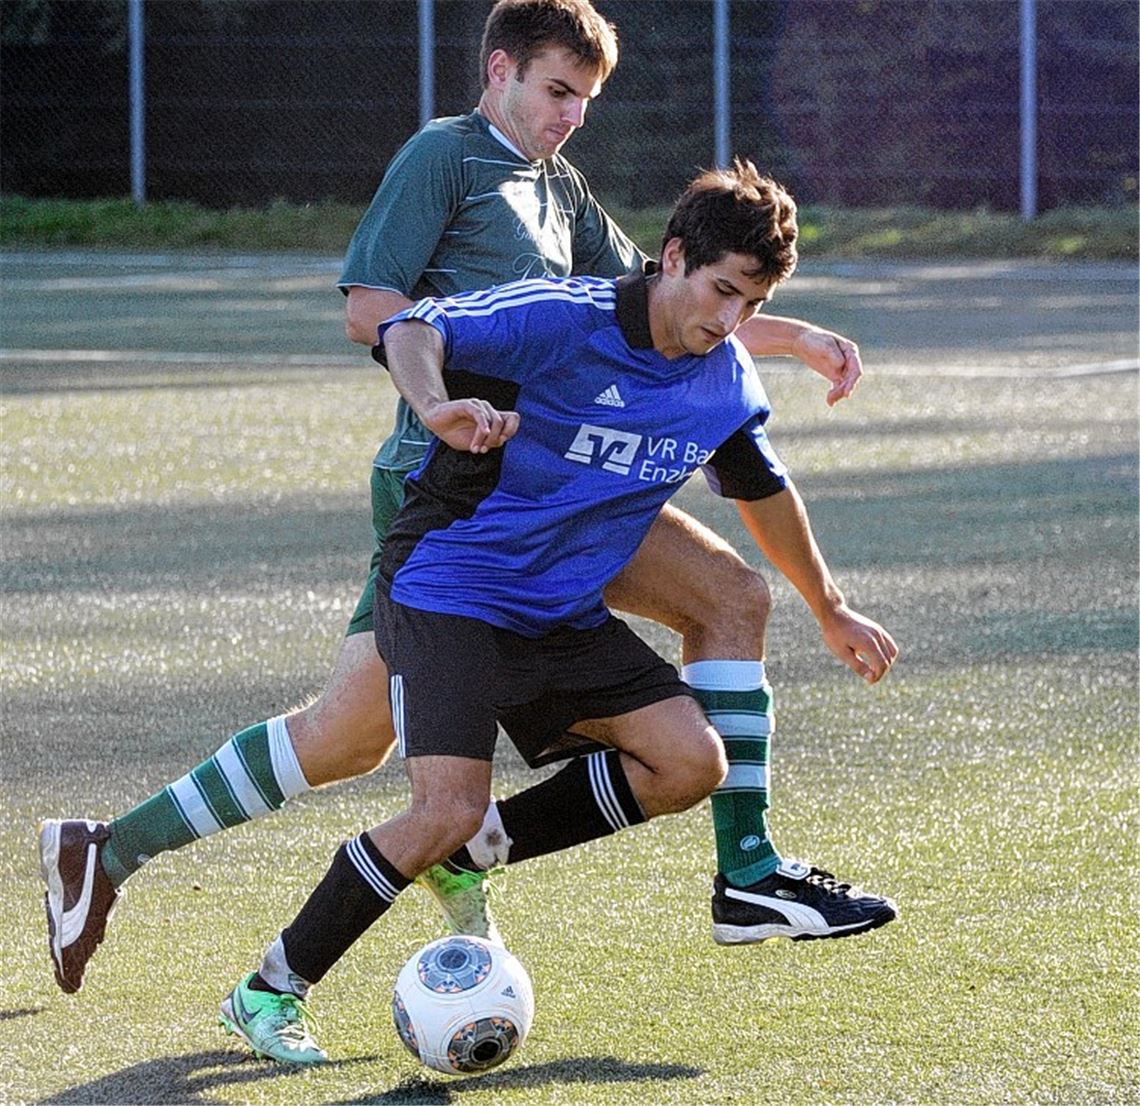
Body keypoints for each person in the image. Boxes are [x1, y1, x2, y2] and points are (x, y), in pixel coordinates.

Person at [39, 0, 885, 998]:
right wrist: (447, 393)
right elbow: (372, 310)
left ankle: (743, 870)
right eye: (556, 90)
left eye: (586, 99)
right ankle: (119, 848)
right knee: (349, 736)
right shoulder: (447, 155)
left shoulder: (560, 187)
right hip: (454, 486)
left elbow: (662, 301)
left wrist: (792, 337)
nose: (571, 115)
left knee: (731, 596)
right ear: (499, 71)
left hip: (558, 477)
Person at [217, 158, 898, 1066]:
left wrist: (832, 607)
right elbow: (411, 326)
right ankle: (269, 990)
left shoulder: (725, 381)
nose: (730, 319)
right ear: (673, 257)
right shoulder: (562, 317)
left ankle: (474, 853)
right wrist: (437, 405)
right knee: (442, 808)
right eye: (722, 291)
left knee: (691, 762)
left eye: (752, 303)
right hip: (450, 589)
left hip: (559, 612)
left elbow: (763, 495)